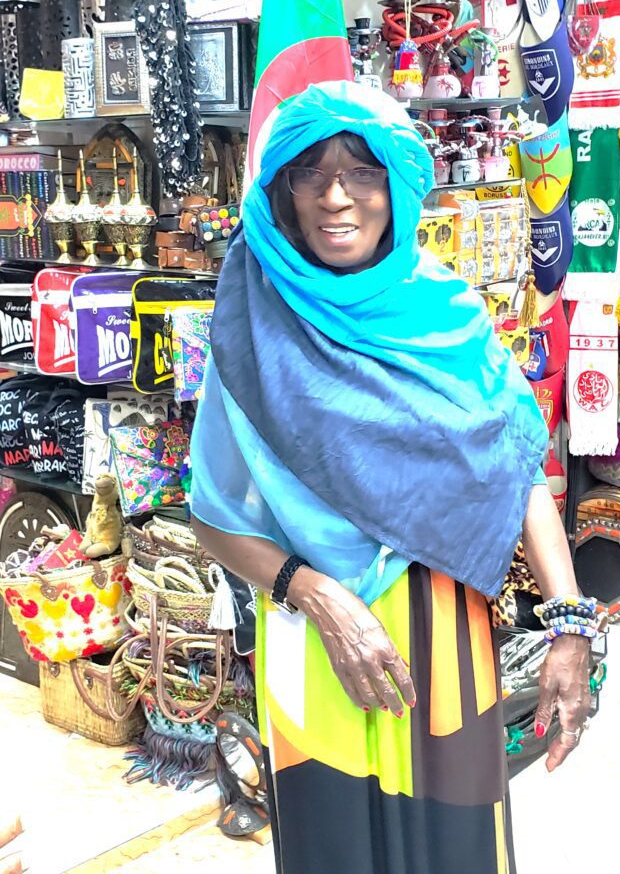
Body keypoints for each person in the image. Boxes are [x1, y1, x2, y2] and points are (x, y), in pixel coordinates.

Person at [190, 81, 592, 874]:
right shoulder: (254, 320)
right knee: (334, 845)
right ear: (283, 194)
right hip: (314, 633)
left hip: (443, 630)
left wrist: (569, 626)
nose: (337, 198)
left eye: (361, 174)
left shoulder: (445, 314)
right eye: (312, 175)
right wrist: (317, 594)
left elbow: (513, 470)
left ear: (396, 187)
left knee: (456, 844)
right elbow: (212, 515)